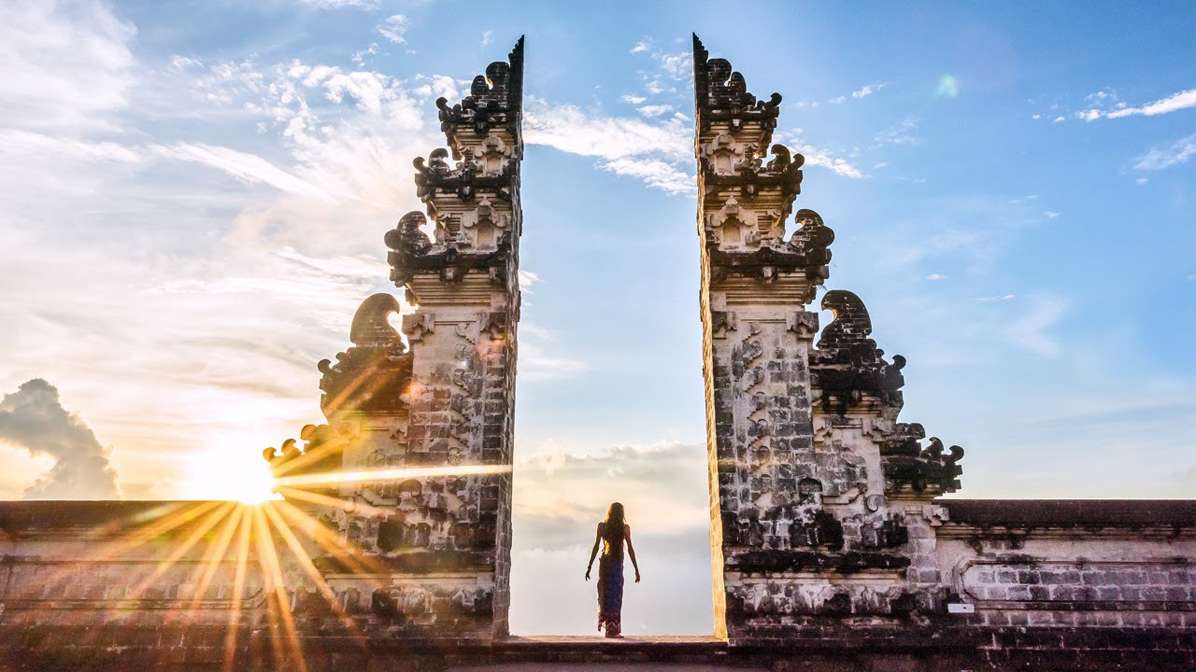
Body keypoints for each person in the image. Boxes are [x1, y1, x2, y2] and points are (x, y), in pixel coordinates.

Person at [584, 501, 640, 638]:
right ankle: (612, 629)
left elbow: (596, 547)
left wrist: (590, 566)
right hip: (615, 565)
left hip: (605, 564)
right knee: (615, 596)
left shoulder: (602, 527)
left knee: (605, 595)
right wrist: (636, 569)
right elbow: (631, 550)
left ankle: (609, 629)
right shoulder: (624, 528)